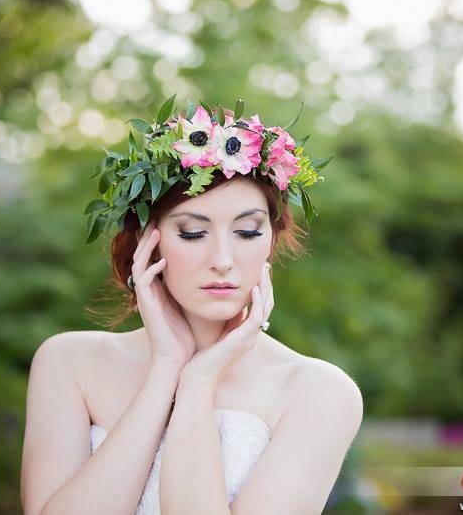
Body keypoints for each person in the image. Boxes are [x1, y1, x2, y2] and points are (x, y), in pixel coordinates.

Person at [19, 100, 363, 515]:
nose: (222, 258)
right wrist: (167, 367)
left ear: (271, 241)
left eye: (247, 231)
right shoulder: (69, 362)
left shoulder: (318, 392)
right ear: (148, 242)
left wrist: (199, 381)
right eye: (194, 232)